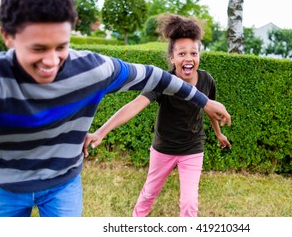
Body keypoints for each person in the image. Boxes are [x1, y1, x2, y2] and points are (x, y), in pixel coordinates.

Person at [0, 0, 231, 217]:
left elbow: (156, 77)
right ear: (7, 36)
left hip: (62, 186)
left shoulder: (91, 69)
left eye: (61, 46)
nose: (51, 62)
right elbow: (144, 97)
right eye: (37, 48)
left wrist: (205, 102)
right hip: (7, 190)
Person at [84, 14, 231, 217]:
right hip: (164, 149)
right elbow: (134, 106)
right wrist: (101, 132)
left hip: (193, 149)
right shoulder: (164, 83)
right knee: (148, 195)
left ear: (199, 56)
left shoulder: (207, 80)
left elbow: (211, 111)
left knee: (189, 204)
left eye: (193, 53)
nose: (188, 58)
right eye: (181, 54)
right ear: (172, 58)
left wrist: (218, 134)